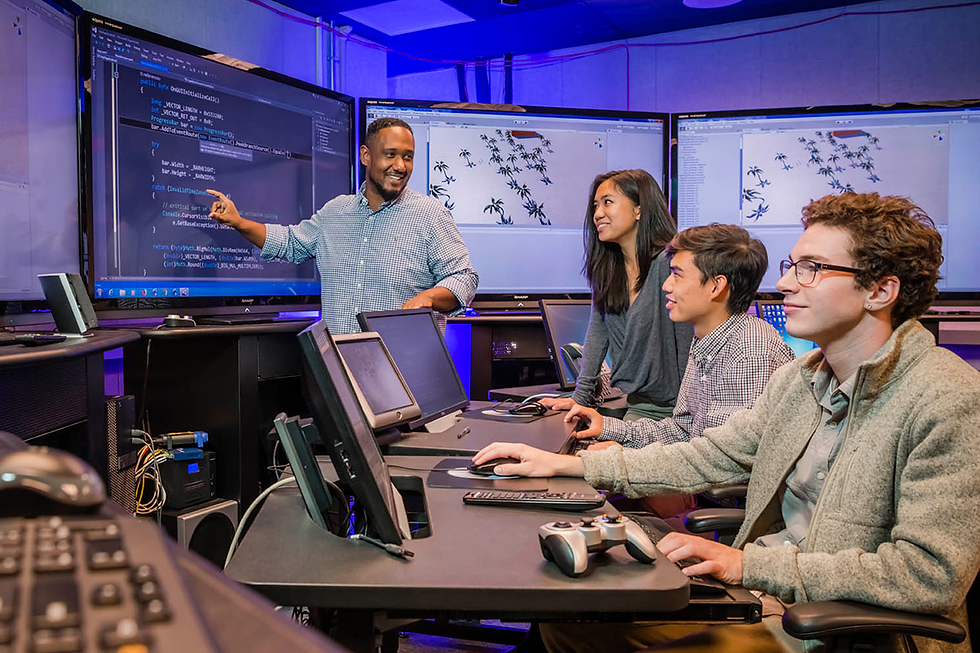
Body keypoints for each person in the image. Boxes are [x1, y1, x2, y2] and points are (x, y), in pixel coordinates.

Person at [474, 193, 980, 653]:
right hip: (772, 592)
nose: (784, 282)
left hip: (841, 630)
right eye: (791, 265)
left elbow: (931, 575)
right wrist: (567, 465)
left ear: (880, 291)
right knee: (568, 620)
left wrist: (746, 565)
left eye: (811, 268)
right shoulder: (802, 380)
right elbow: (709, 452)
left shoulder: (944, 399)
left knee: (582, 621)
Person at [207, 117, 479, 334]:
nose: (400, 165)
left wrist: (429, 297)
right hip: (342, 372)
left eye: (407, 157)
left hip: (406, 375)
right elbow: (289, 242)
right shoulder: (335, 211)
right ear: (366, 156)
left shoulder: (431, 214)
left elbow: (464, 278)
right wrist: (239, 222)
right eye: (390, 154)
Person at [567, 223, 794, 452]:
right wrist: (607, 426)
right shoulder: (708, 341)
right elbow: (683, 430)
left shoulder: (749, 351)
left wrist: (619, 461)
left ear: (717, 286)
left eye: (676, 275)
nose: (666, 285)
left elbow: (722, 462)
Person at [540, 169, 693, 422]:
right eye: (595, 206)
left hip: (679, 412)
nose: (597, 213)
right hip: (639, 408)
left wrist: (686, 419)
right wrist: (580, 398)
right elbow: (598, 332)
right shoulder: (609, 270)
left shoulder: (669, 265)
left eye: (607, 202)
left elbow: (687, 345)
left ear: (639, 210)